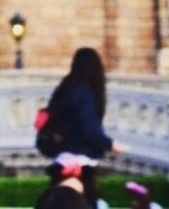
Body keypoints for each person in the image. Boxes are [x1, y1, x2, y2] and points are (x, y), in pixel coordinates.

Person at [43, 47, 119, 207]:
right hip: (80, 164)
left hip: (61, 161)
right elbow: (90, 130)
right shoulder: (85, 94)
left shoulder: (64, 90)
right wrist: (111, 145)